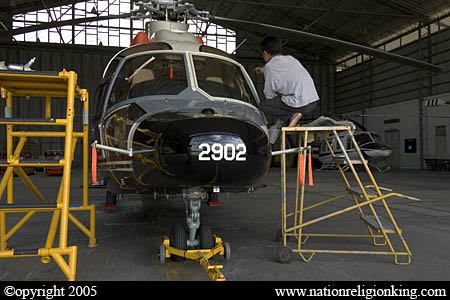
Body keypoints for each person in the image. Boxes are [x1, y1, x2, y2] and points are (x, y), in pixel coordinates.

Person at [255, 36, 319, 128]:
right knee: (285, 97)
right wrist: (264, 70)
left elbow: (269, 95)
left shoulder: (269, 67)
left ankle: (291, 117)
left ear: (265, 52)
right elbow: (281, 69)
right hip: (313, 101)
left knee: (263, 105)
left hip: (301, 104)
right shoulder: (291, 59)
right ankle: (294, 117)